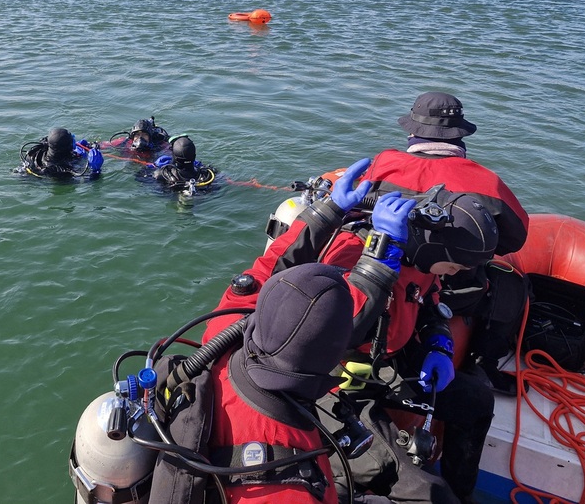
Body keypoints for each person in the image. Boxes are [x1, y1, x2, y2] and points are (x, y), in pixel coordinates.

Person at [206, 161, 499, 504]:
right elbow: (327, 329)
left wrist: (439, 343)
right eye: (456, 265)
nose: (458, 273)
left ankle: (464, 491)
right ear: (437, 251)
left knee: (476, 401)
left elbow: (430, 300)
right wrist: (378, 262)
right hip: (334, 382)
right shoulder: (348, 253)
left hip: (387, 364)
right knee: (428, 494)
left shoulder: (422, 262)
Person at [361, 91, 530, 392]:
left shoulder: (384, 162)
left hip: (381, 275)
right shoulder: (484, 180)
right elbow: (514, 239)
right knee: (512, 284)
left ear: (412, 132)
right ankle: (482, 366)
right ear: (460, 136)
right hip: (452, 287)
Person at [148, 263, 355, 504]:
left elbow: (262, 271)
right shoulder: (289, 494)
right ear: (334, 353)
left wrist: (314, 225)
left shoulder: (224, 333)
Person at [141, 135, 217, 193]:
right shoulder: (208, 176)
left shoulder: (161, 174)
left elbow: (140, 177)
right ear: (194, 156)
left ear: (174, 157)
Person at [18, 127, 103, 178]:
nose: (74, 139)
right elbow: (84, 181)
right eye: (71, 139)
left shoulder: (38, 151)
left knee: (92, 145)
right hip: (43, 176)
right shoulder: (61, 171)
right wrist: (95, 170)